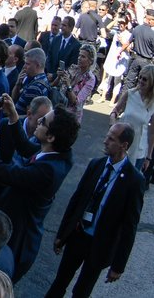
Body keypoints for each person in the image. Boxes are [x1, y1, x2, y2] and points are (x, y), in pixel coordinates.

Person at [0, 95, 80, 282]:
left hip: (16, 242)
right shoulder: (59, 152)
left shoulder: (47, 171)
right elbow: (27, 148)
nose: (38, 121)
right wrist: (13, 118)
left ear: (51, 136)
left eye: (43, 122)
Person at [46, 123, 145, 298]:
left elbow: (130, 226)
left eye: (111, 139)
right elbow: (76, 201)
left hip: (100, 245)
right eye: (107, 136)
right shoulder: (96, 165)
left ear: (125, 145)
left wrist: (118, 266)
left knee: (82, 291)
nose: (105, 141)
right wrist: (62, 234)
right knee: (59, 283)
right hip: (78, 235)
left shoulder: (134, 180)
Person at [110, 64, 154, 169]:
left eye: (144, 79)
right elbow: (115, 110)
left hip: (139, 151)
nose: (140, 81)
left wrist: (148, 157)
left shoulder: (153, 103)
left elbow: (152, 132)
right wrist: (113, 121)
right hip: (120, 146)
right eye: (139, 77)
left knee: (129, 183)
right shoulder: (130, 94)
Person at [52, 43, 97, 121]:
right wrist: (59, 77)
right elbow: (54, 86)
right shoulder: (73, 68)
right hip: (58, 109)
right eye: (79, 55)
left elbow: (75, 102)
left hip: (71, 117)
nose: (79, 58)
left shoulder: (90, 79)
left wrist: (68, 84)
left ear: (90, 61)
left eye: (83, 56)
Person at [11, 48, 51, 116]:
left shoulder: (34, 88)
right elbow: (14, 98)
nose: (24, 67)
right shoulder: (41, 79)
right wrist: (18, 83)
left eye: (27, 64)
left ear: (37, 65)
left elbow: (29, 117)